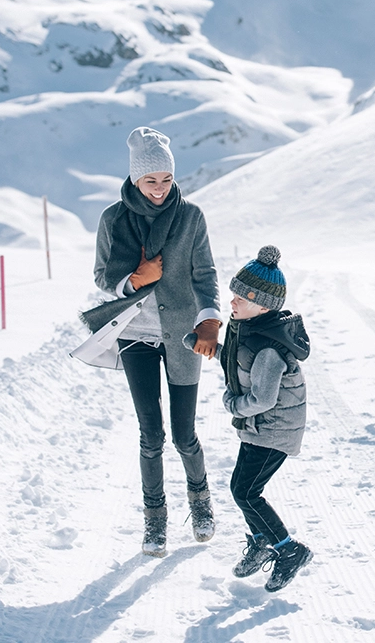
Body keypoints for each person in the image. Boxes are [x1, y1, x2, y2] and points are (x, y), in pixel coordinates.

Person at [72, 127, 221, 558]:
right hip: (135, 333)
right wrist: (133, 280)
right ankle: (155, 523)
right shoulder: (114, 219)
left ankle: (201, 503)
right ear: (135, 180)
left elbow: (205, 274)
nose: (159, 189)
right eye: (150, 181)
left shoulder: (190, 216)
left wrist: (210, 319)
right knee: (150, 434)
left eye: (167, 180)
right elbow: (102, 276)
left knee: (184, 434)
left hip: (183, 335)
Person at [219, 246, 314, 592]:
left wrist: (232, 404)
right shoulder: (252, 330)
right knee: (240, 489)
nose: (232, 302)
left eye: (240, 298)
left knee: (247, 493)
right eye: (233, 295)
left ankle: (289, 550)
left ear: (262, 305)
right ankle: (261, 542)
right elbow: (239, 361)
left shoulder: (269, 349)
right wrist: (209, 348)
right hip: (260, 429)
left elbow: (261, 398)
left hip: (273, 429)